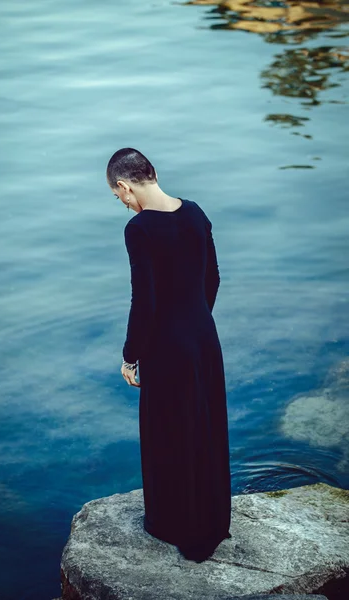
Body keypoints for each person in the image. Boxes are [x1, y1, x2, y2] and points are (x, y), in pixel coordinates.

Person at [106, 147, 232, 563]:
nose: (123, 204)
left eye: (118, 196)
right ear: (153, 172)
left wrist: (130, 356)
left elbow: (144, 301)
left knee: (169, 432)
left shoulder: (139, 229)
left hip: (167, 348)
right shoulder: (195, 212)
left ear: (125, 186)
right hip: (203, 338)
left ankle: (174, 523)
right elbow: (211, 277)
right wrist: (195, 322)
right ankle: (213, 520)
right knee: (205, 427)